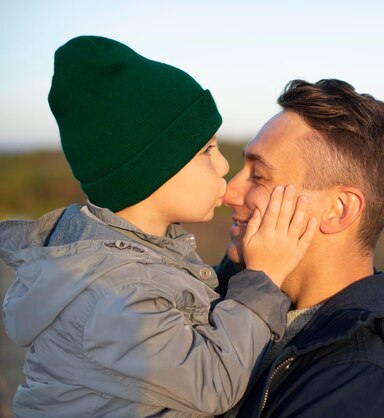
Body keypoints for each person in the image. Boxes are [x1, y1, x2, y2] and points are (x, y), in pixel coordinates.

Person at [0, 36, 316, 417]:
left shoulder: (137, 258)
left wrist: (244, 265)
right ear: (153, 174)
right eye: (206, 151)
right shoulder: (113, 293)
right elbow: (214, 382)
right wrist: (264, 275)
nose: (222, 167)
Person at [219, 79, 384, 418]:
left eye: (258, 176)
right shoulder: (224, 294)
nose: (227, 193)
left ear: (339, 210)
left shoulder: (363, 385)